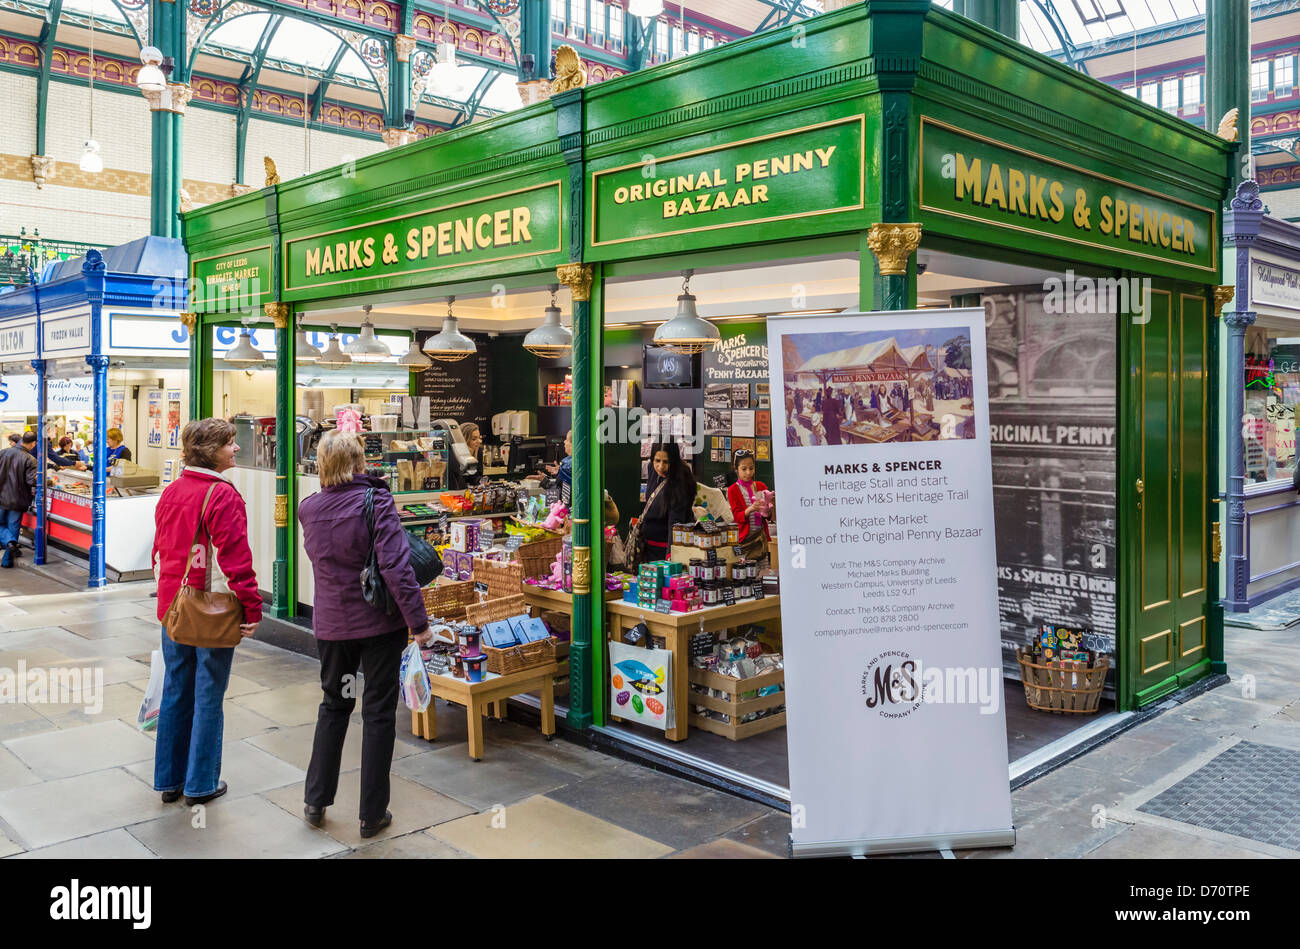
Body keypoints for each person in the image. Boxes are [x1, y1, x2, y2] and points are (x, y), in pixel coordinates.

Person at [298, 430, 432, 839]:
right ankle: (371, 814)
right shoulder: (376, 501)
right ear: (360, 464)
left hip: (332, 627)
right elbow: (395, 568)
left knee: (334, 706)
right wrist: (420, 623)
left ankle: (316, 800)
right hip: (378, 626)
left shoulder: (308, 509)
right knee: (376, 713)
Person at [152, 418, 261, 807]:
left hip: (173, 607)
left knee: (176, 689)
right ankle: (200, 784)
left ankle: (169, 780)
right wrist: (251, 606)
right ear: (212, 451)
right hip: (211, 609)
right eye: (230, 444)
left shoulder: (172, 491)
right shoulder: (223, 496)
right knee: (209, 693)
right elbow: (235, 559)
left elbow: (160, 548)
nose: (235, 449)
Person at [637, 441, 696, 564]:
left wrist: (670, 555)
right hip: (647, 546)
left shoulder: (681, 482)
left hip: (665, 549)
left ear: (673, 461)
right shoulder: (652, 469)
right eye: (657, 461)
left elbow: (675, 522)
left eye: (666, 462)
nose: (660, 466)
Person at [0, 432, 38, 568]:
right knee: (13, 528)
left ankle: (8, 541)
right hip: (18, 500)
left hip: (1, 497)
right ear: (33, 443)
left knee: (1, 525)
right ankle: (7, 560)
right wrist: (47, 481)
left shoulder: (3, 453)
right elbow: (31, 481)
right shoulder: (31, 459)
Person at [727, 449, 771, 558]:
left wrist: (768, 511)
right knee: (745, 570)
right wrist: (751, 508)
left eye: (751, 468)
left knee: (762, 570)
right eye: (744, 469)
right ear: (736, 469)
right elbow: (737, 517)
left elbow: (769, 517)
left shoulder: (761, 486)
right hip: (744, 541)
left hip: (760, 539)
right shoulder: (732, 490)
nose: (748, 472)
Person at [447, 421, 484, 490]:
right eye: (474, 439)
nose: (479, 441)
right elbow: (456, 477)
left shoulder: (478, 451)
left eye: (480, 438)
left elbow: (476, 475)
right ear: (463, 439)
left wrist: (480, 480)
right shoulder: (452, 453)